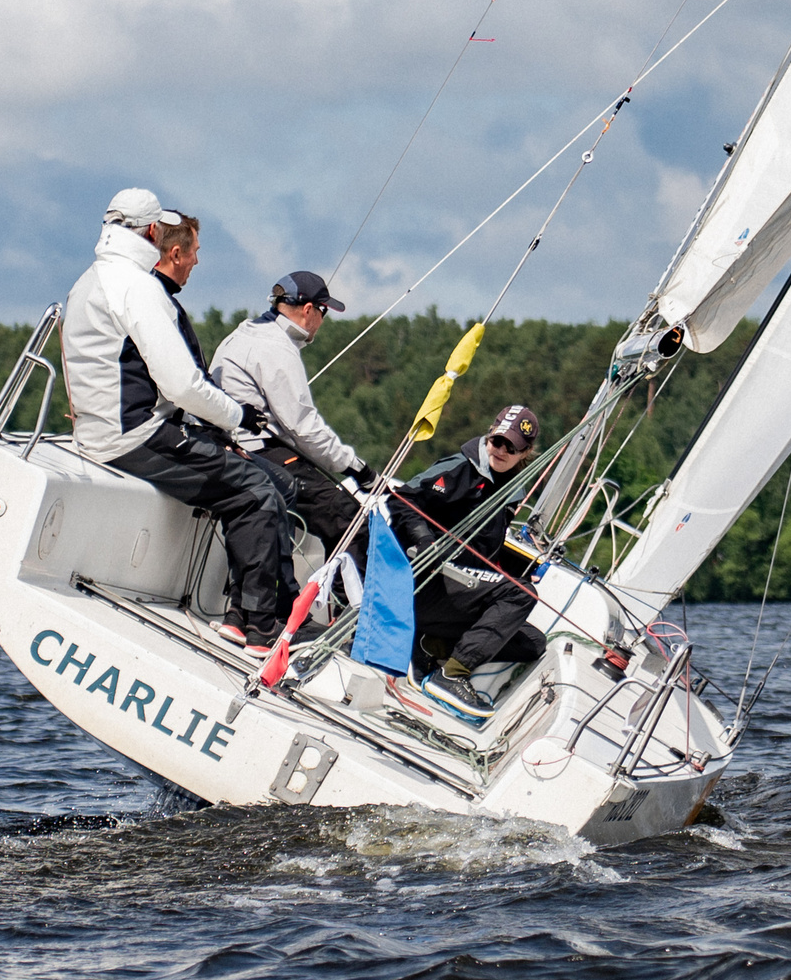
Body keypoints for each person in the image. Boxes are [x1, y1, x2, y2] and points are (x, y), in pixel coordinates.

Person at [61, 188, 298, 643]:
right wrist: (239, 418)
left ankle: (242, 615)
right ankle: (261, 630)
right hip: (133, 436)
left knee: (268, 484)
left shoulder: (90, 279)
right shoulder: (137, 287)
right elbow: (182, 385)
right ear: (152, 231)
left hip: (103, 431)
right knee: (254, 490)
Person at [389, 403, 547, 714]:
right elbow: (402, 500)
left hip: (459, 587)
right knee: (522, 596)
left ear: (524, 453)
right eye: (497, 440)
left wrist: (516, 572)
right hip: (427, 583)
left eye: (511, 447)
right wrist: (424, 541)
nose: (500, 450)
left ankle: (429, 645)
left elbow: (484, 547)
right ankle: (452, 675)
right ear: (489, 434)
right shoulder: (460, 469)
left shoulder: (510, 493)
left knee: (532, 642)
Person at [211, 269, 374, 554]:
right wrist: (357, 468)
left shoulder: (246, 332)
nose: (323, 321)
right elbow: (303, 429)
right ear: (309, 309)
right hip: (258, 451)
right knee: (350, 520)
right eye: (324, 312)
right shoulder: (276, 347)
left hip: (233, 446)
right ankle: (348, 599)